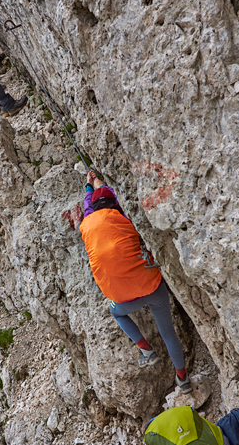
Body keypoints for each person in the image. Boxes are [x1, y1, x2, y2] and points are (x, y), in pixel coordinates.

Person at [79, 169, 193, 395]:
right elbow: (107, 196)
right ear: (115, 204)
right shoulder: (124, 218)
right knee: (168, 333)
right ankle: (183, 379)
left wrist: (88, 185)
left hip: (122, 299)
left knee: (117, 313)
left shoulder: (88, 224)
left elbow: (90, 205)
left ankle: (147, 351)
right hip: (152, 285)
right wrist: (98, 182)